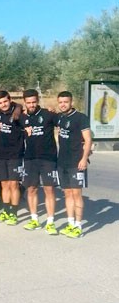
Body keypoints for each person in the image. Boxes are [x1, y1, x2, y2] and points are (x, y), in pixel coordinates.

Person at [20, 89, 59, 234]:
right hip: (30, 158)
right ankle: (34, 219)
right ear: (24, 102)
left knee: (49, 189)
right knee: (31, 189)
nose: (31, 105)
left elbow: (67, 122)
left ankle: (50, 222)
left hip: (48, 158)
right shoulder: (22, 117)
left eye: (34, 102)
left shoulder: (48, 114)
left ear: (38, 101)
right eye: (28, 103)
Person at [55, 91, 92, 238]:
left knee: (77, 194)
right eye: (61, 102)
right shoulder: (60, 118)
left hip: (76, 162)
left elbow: (88, 140)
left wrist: (84, 159)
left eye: (66, 102)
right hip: (62, 161)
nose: (63, 104)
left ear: (71, 102)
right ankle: (70, 224)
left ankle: (78, 226)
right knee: (67, 193)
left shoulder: (81, 118)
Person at [0, 91, 24, 225]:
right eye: (0, 103)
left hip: (15, 155)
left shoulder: (19, 115)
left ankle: (14, 214)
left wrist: (18, 107)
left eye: (5, 101)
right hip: (0, 154)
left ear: (10, 100)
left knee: (14, 184)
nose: (3, 104)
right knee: (4, 184)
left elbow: (20, 105)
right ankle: (5, 211)